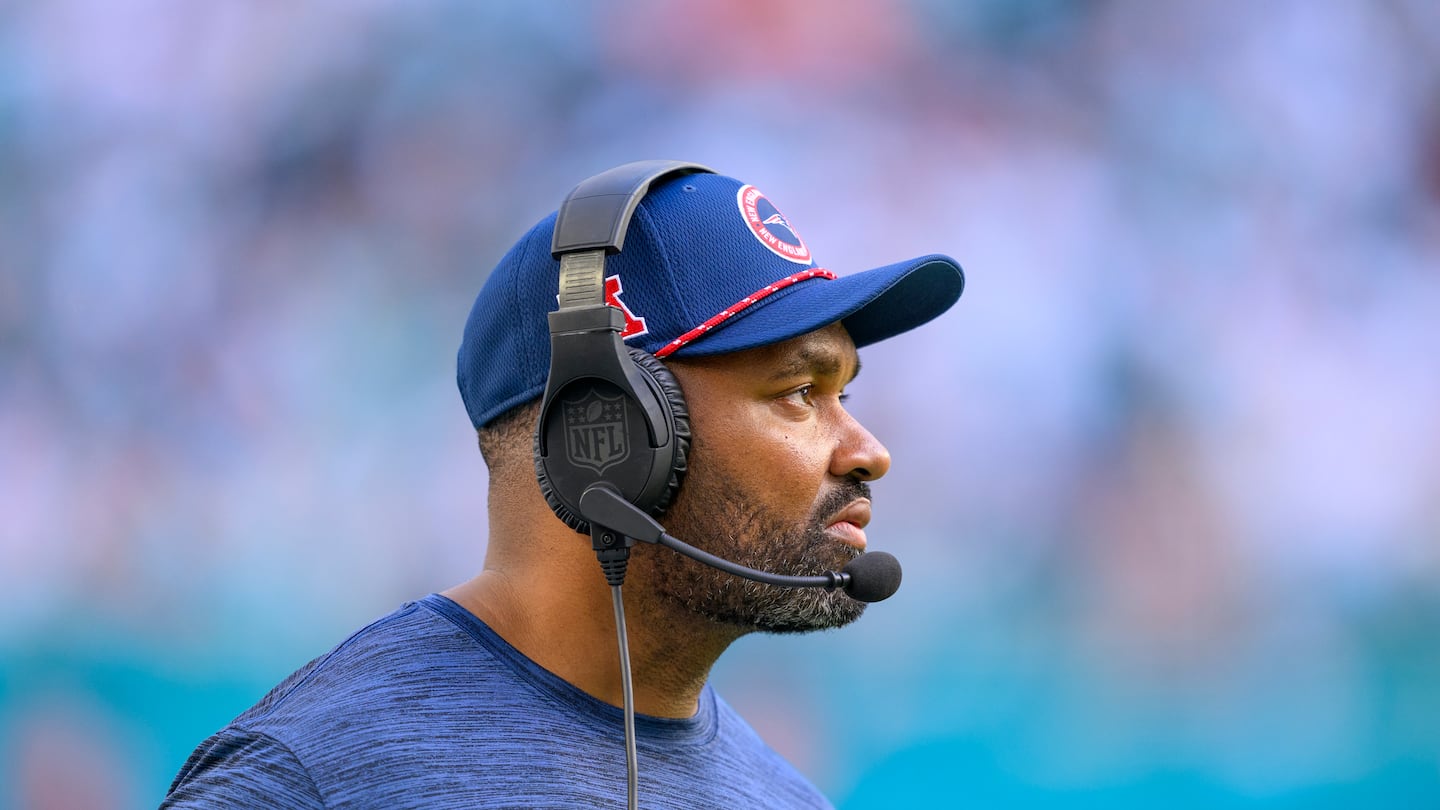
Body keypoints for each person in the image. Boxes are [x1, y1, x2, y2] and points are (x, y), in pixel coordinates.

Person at [161, 165, 964, 808]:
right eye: (799, 393)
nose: (868, 452)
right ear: (606, 435)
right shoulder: (315, 781)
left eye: (844, 395)